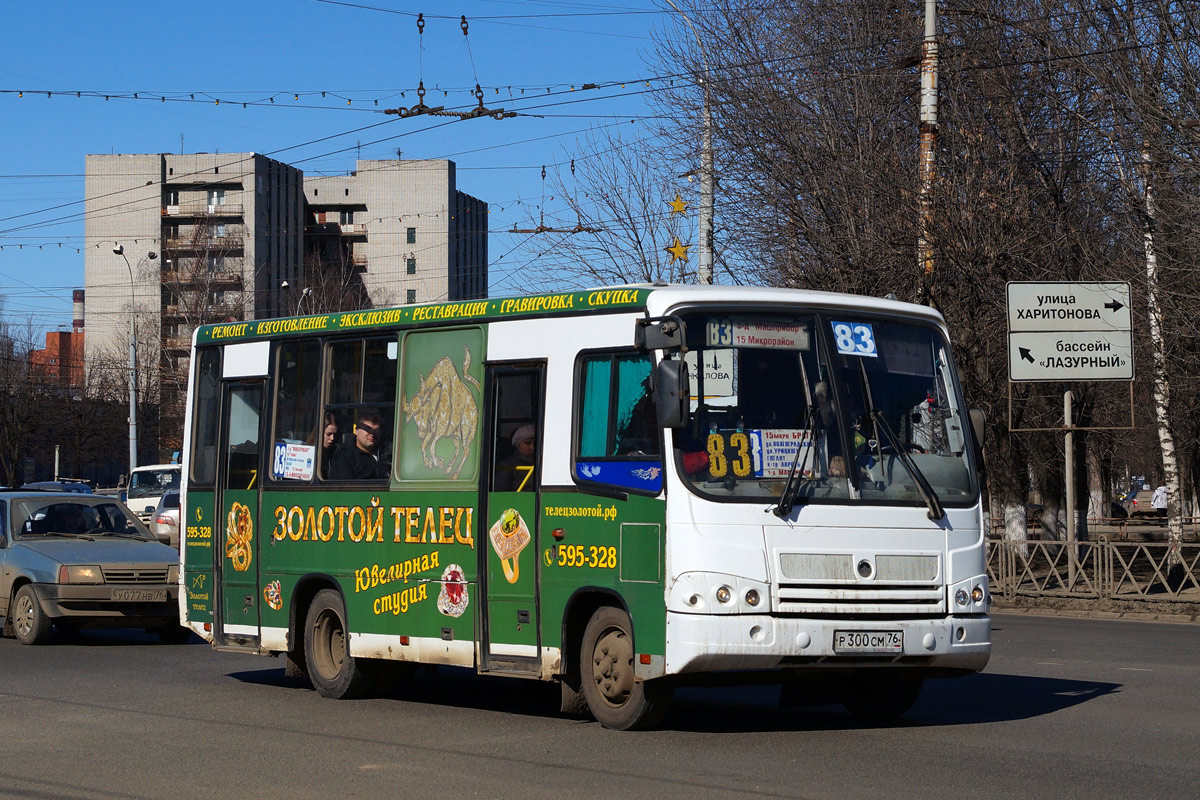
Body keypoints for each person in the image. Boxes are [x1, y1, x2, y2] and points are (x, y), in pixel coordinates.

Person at [329, 412, 387, 480]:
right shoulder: (345, 457)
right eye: (367, 429)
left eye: (377, 431)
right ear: (356, 430)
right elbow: (342, 487)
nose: (372, 434)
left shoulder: (387, 454)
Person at [495, 425, 535, 491]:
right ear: (517, 445)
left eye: (535, 443)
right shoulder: (507, 465)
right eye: (527, 443)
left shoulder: (543, 463)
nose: (532, 448)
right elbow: (501, 493)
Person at [320, 412, 338, 478]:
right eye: (328, 434)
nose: (332, 438)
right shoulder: (311, 452)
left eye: (334, 435)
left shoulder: (336, 452)